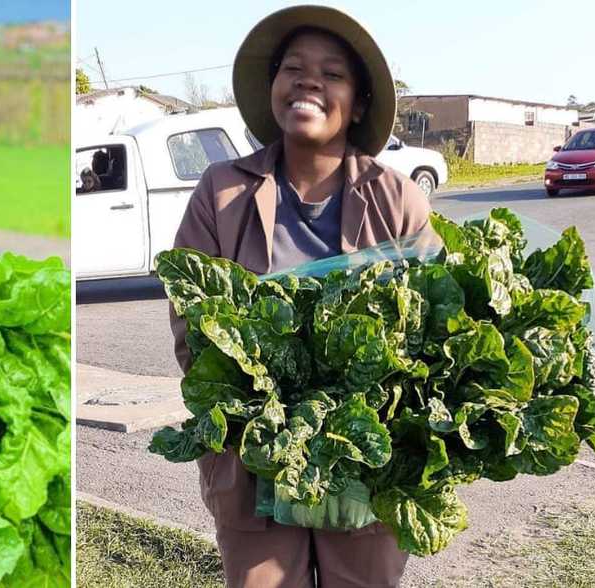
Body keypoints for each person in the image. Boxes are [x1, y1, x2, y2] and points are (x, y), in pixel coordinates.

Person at [169, 6, 430, 588]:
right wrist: (265, 409)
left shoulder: (399, 201)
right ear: (274, 88)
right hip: (253, 457)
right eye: (294, 69)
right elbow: (192, 325)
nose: (309, 81)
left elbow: (432, 336)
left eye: (332, 74)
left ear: (359, 102)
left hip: (363, 464)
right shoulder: (223, 190)